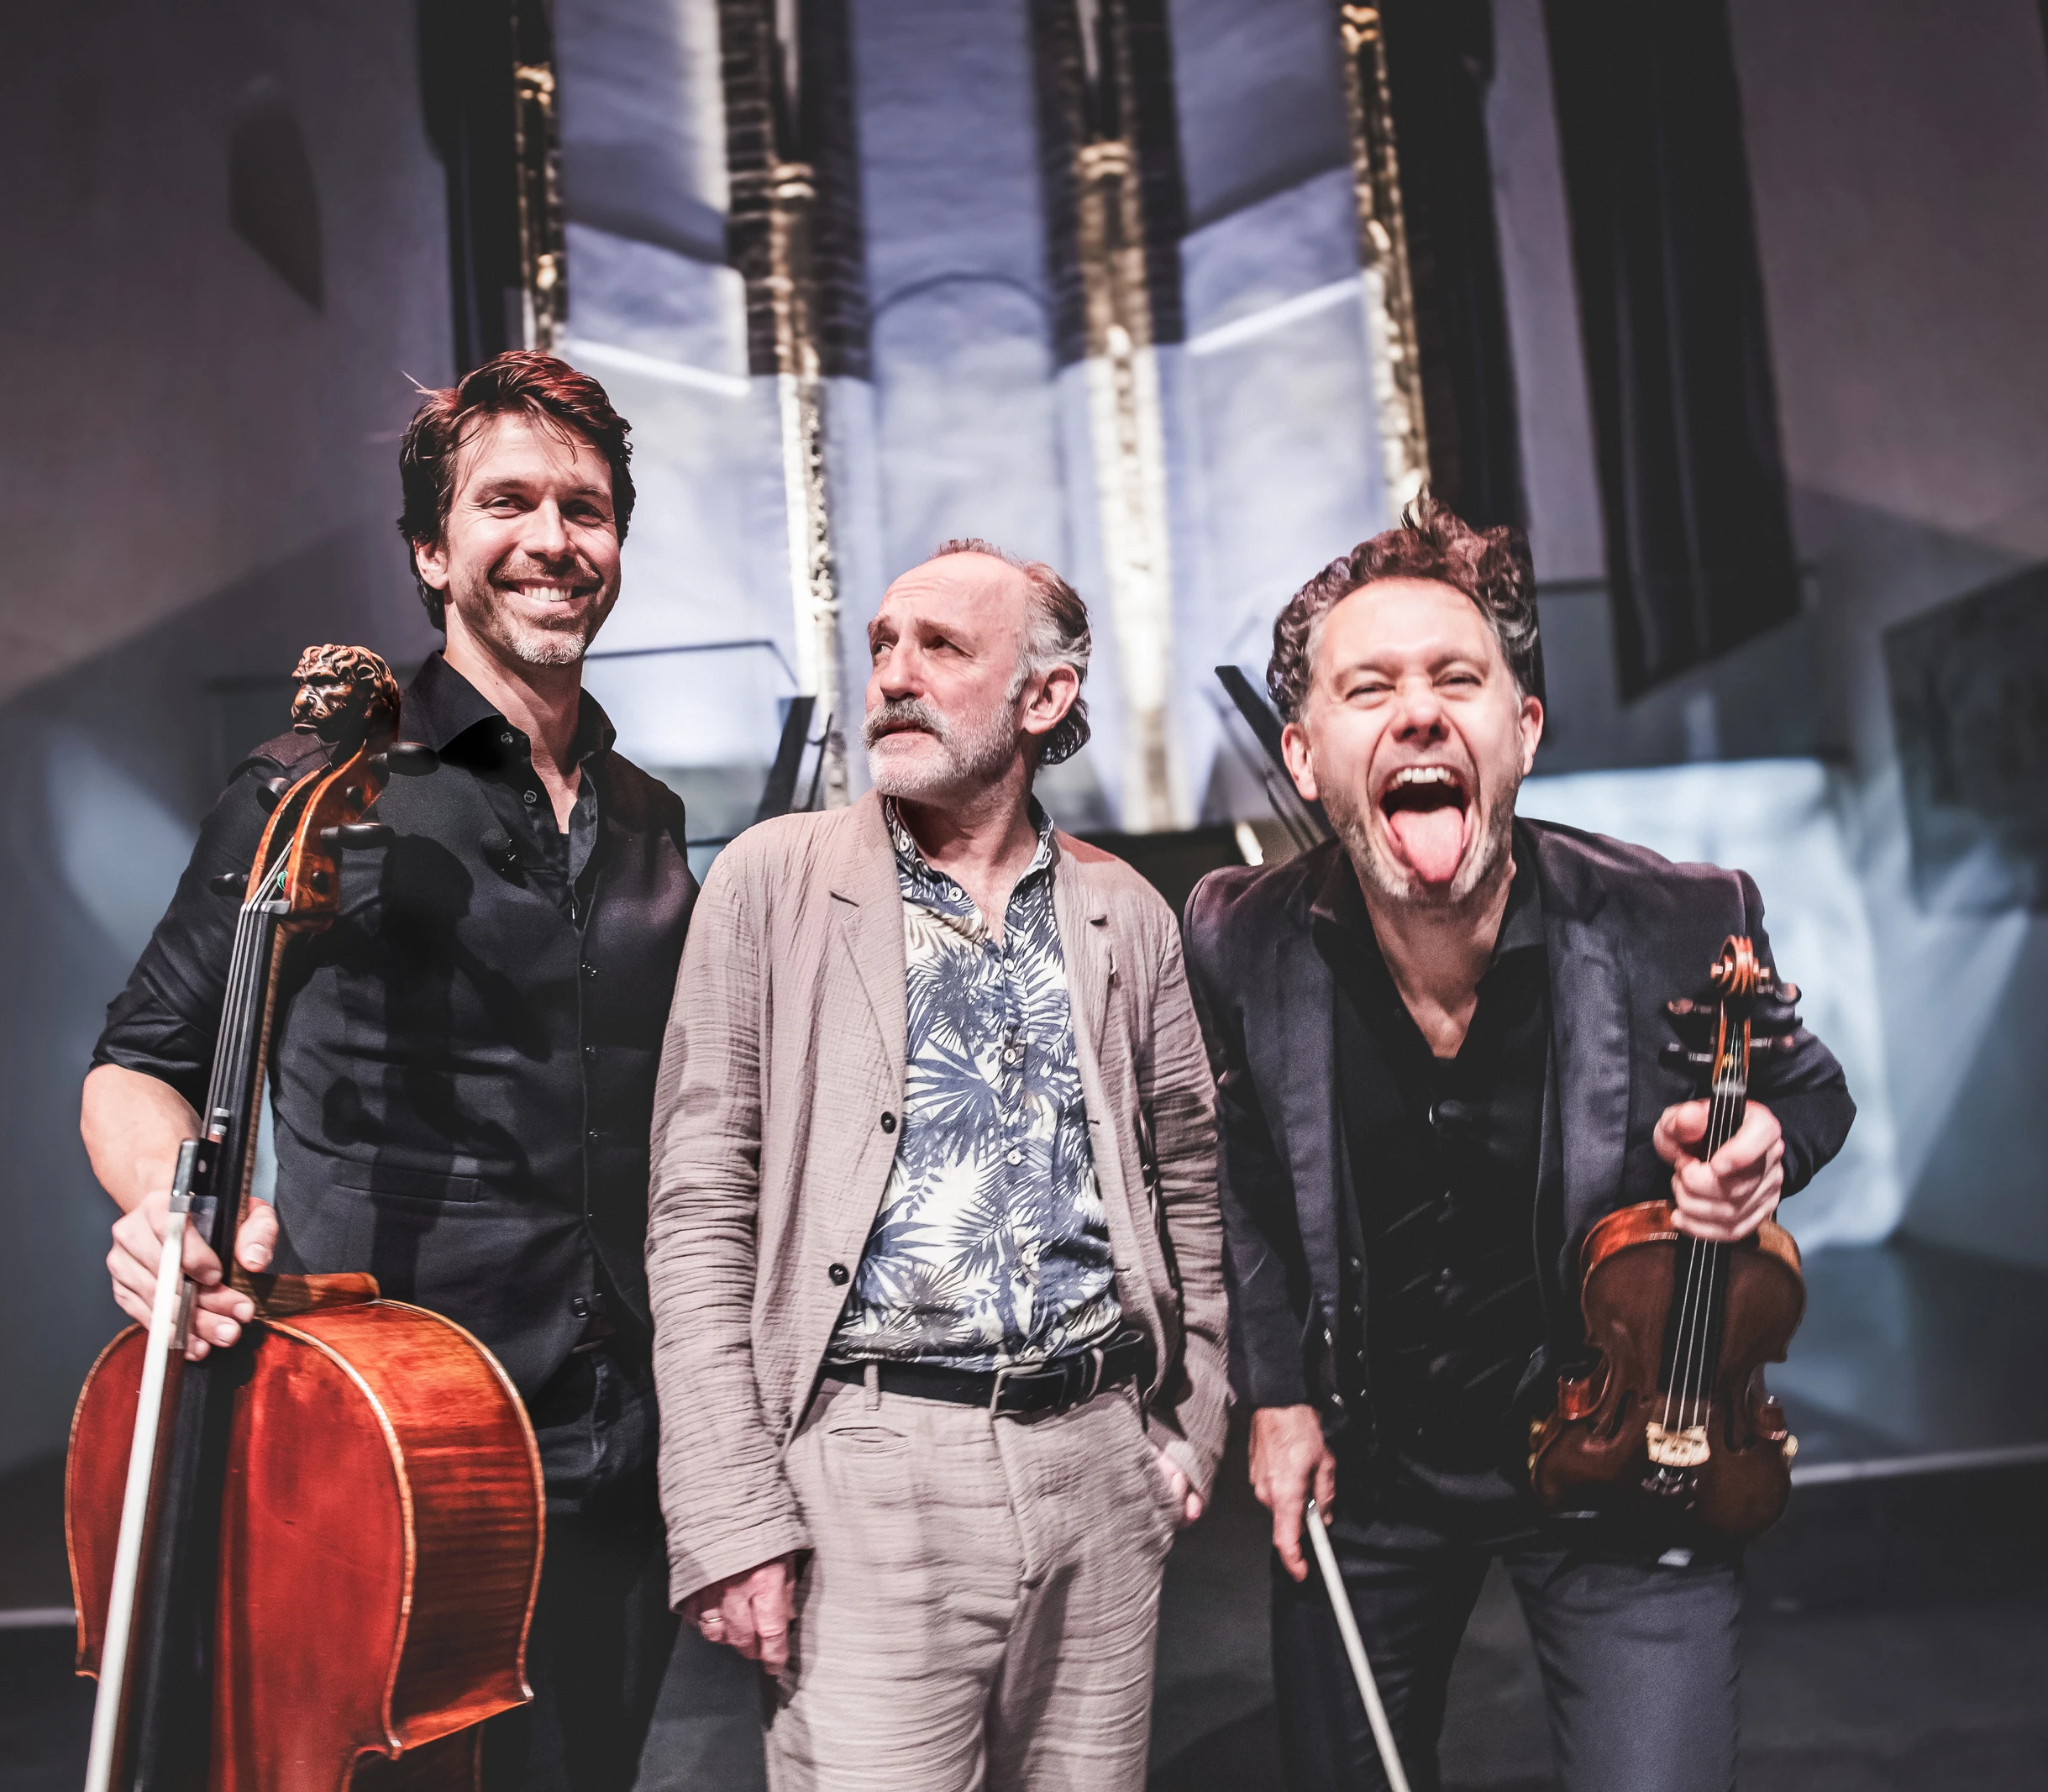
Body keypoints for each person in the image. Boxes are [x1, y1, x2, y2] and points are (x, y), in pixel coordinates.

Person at [82, 351, 695, 1791]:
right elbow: (138, 1060)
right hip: (394, 1435)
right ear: (431, 551)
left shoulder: (649, 815)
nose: (555, 539)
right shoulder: (308, 787)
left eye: (587, 509)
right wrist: (166, 1209)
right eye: (508, 503)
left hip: (623, 1438)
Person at [1184, 500, 1856, 1792]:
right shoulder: (1238, 936)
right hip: (1370, 1472)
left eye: (1458, 678)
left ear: (1525, 729)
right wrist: (1275, 1396)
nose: (1418, 714)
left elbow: (1811, 1092)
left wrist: (1765, 1143)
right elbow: (1246, 1177)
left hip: (1626, 1462)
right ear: (1305, 755)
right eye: (1368, 687)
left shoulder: (1682, 919)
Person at [646, 541, 1227, 1791]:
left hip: (1098, 1463)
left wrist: (1191, 1423)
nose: (893, 676)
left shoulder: (1126, 912)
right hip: (867, 1470)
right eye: (882, 646)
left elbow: (1188, 1175)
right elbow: (699, 1208)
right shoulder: (770, 881)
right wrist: (731, 1511)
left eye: (941, 647)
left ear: (1045, 696)